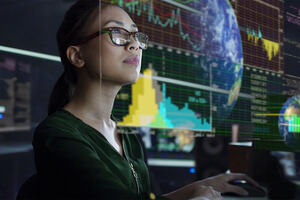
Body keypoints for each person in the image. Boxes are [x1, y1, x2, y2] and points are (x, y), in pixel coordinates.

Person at [28, 0, 260, 199]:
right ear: (77, 56)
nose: (134, 44)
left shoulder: (126, 134)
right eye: (117, 34)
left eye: (136, 35)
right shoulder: (58, 134)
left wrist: (196, 188)